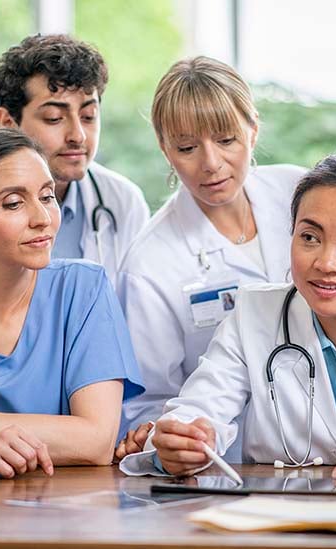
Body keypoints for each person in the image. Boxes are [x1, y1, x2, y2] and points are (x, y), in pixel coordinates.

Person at [119, 152, 336, 483]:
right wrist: (179, 444)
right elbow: (197, 412)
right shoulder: (253, 315)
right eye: (309, 237)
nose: (325, 263)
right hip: (281, 528)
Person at [115, 57, 306, 459]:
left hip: (327, 447)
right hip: (228, 463)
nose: (211, 163)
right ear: (165, 150)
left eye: (226, 140)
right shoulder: (150, 264)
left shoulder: (300, 194)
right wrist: (172, 443)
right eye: (187, 147)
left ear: (252, 130)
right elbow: (147, 406)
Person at [0, 126, 144, 477]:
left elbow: (95, 441)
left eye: (47, 197)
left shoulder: (83, 289)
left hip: (66, 519)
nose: (42, 219)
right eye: (14, 203)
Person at [0, 34, 149, 283]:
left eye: (89, 116)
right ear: (8, 122)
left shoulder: (123, 203)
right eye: (54, 118)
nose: (78, 135)